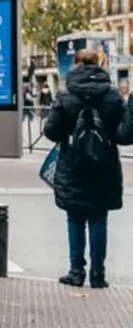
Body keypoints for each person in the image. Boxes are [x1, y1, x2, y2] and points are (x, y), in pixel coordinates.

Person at [42, 48, 133, 290]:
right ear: (100, 63)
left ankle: (76, 271)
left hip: (72, 164)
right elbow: (124, 136)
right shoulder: (113, 96)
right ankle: (98, 275)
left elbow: (50, 131)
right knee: (98, 219)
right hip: (104, 167)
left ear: (76, 64)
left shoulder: (65, 95)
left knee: (74, 217)